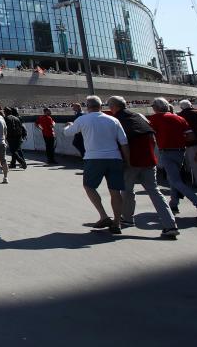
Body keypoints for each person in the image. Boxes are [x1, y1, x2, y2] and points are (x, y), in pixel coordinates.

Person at [106, 96, 178, 239]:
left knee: (127, 191)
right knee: (155, 192)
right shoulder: (139, 117)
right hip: (149, 160)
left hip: (131, 162)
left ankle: (127, 218)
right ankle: (170, 225)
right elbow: (152, 138)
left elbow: (119, 143)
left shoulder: (116, 121)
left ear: (114, 107)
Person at [64, 95, 130, 235]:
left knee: (89, 186)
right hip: (114, 157)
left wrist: (68, 126)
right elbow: (124, 142)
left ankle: (104, 215)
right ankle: (117, 223)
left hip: (94, 158)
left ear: (87, 107)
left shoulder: (82, 119)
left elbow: (68, 133)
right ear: (101, 106)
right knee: (115, 191)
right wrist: (127, 161)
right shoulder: (113, 119)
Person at [147, 98, 197, 222]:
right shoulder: (179, 118)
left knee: (175, 180)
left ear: (157, 108)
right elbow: (191, 137)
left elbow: (149, 134)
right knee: (173, 178)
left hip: (166, 151)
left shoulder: (155, 119)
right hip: (180, 151)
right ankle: (174, 204)